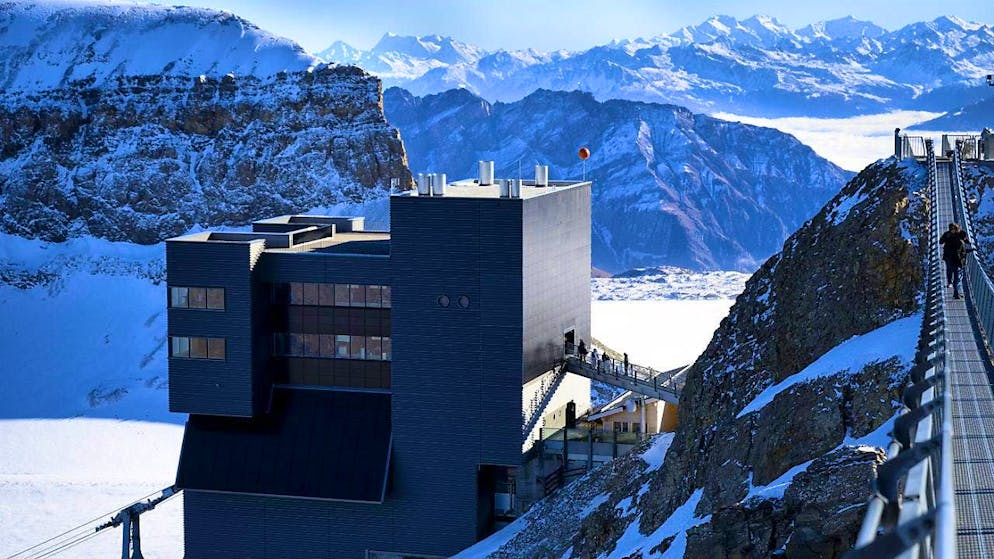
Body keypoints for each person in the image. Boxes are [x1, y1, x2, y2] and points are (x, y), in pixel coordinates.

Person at [940, 222, 969, 299]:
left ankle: (954, 290)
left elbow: (964, 244)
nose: (952, 230)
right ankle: (954, 289)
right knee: (956, 275)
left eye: (953, 229)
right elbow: (941, 242)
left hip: (952, 258)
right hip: (954, 258)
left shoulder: (959, 235)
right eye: (951, 229)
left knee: (954, 273)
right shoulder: (951, 235)